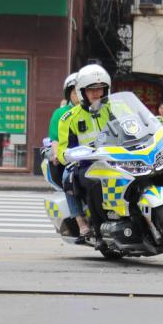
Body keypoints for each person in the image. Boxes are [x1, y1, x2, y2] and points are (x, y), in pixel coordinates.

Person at [57, 64, 112, 250]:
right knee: (95, 182)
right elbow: (63, 152)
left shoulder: (113, 108)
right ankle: (98, 230)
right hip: (87, 164)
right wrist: (73, 154)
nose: (97, 93)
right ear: (82, 92)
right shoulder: (69, 118)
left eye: (100, 89)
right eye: (92, 90)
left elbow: (135, 123)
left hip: (116, 159)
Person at [48, 73, 90, 237]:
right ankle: (80, 221)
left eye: (82, 91)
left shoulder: (96, 110)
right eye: (75, 92)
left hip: (98, 156)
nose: (78, 95)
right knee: (69, 179)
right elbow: (55, 139)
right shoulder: (61, 114)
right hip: (74, 159)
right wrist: (58, 154)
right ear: (69, 94)